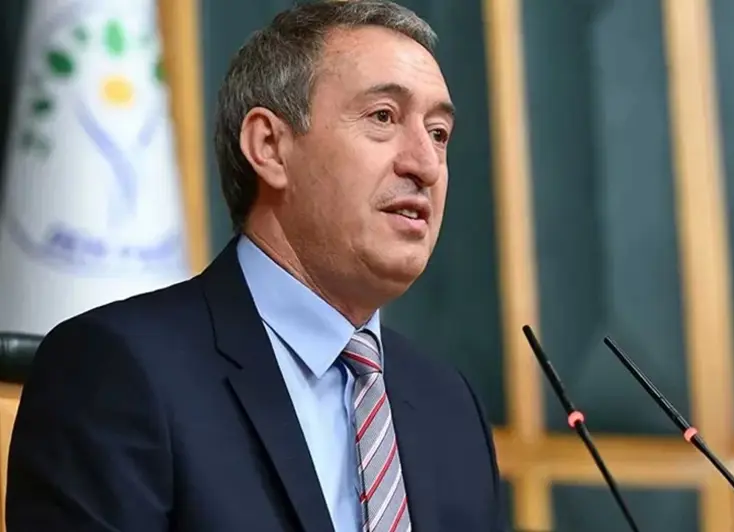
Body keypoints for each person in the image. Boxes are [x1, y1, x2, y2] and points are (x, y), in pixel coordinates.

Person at [5, 1, 506, 531]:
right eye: (383, 117)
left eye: (438, 133)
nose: (426, 165)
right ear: (269, 146)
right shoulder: (116, 370)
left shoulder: (449, 407)